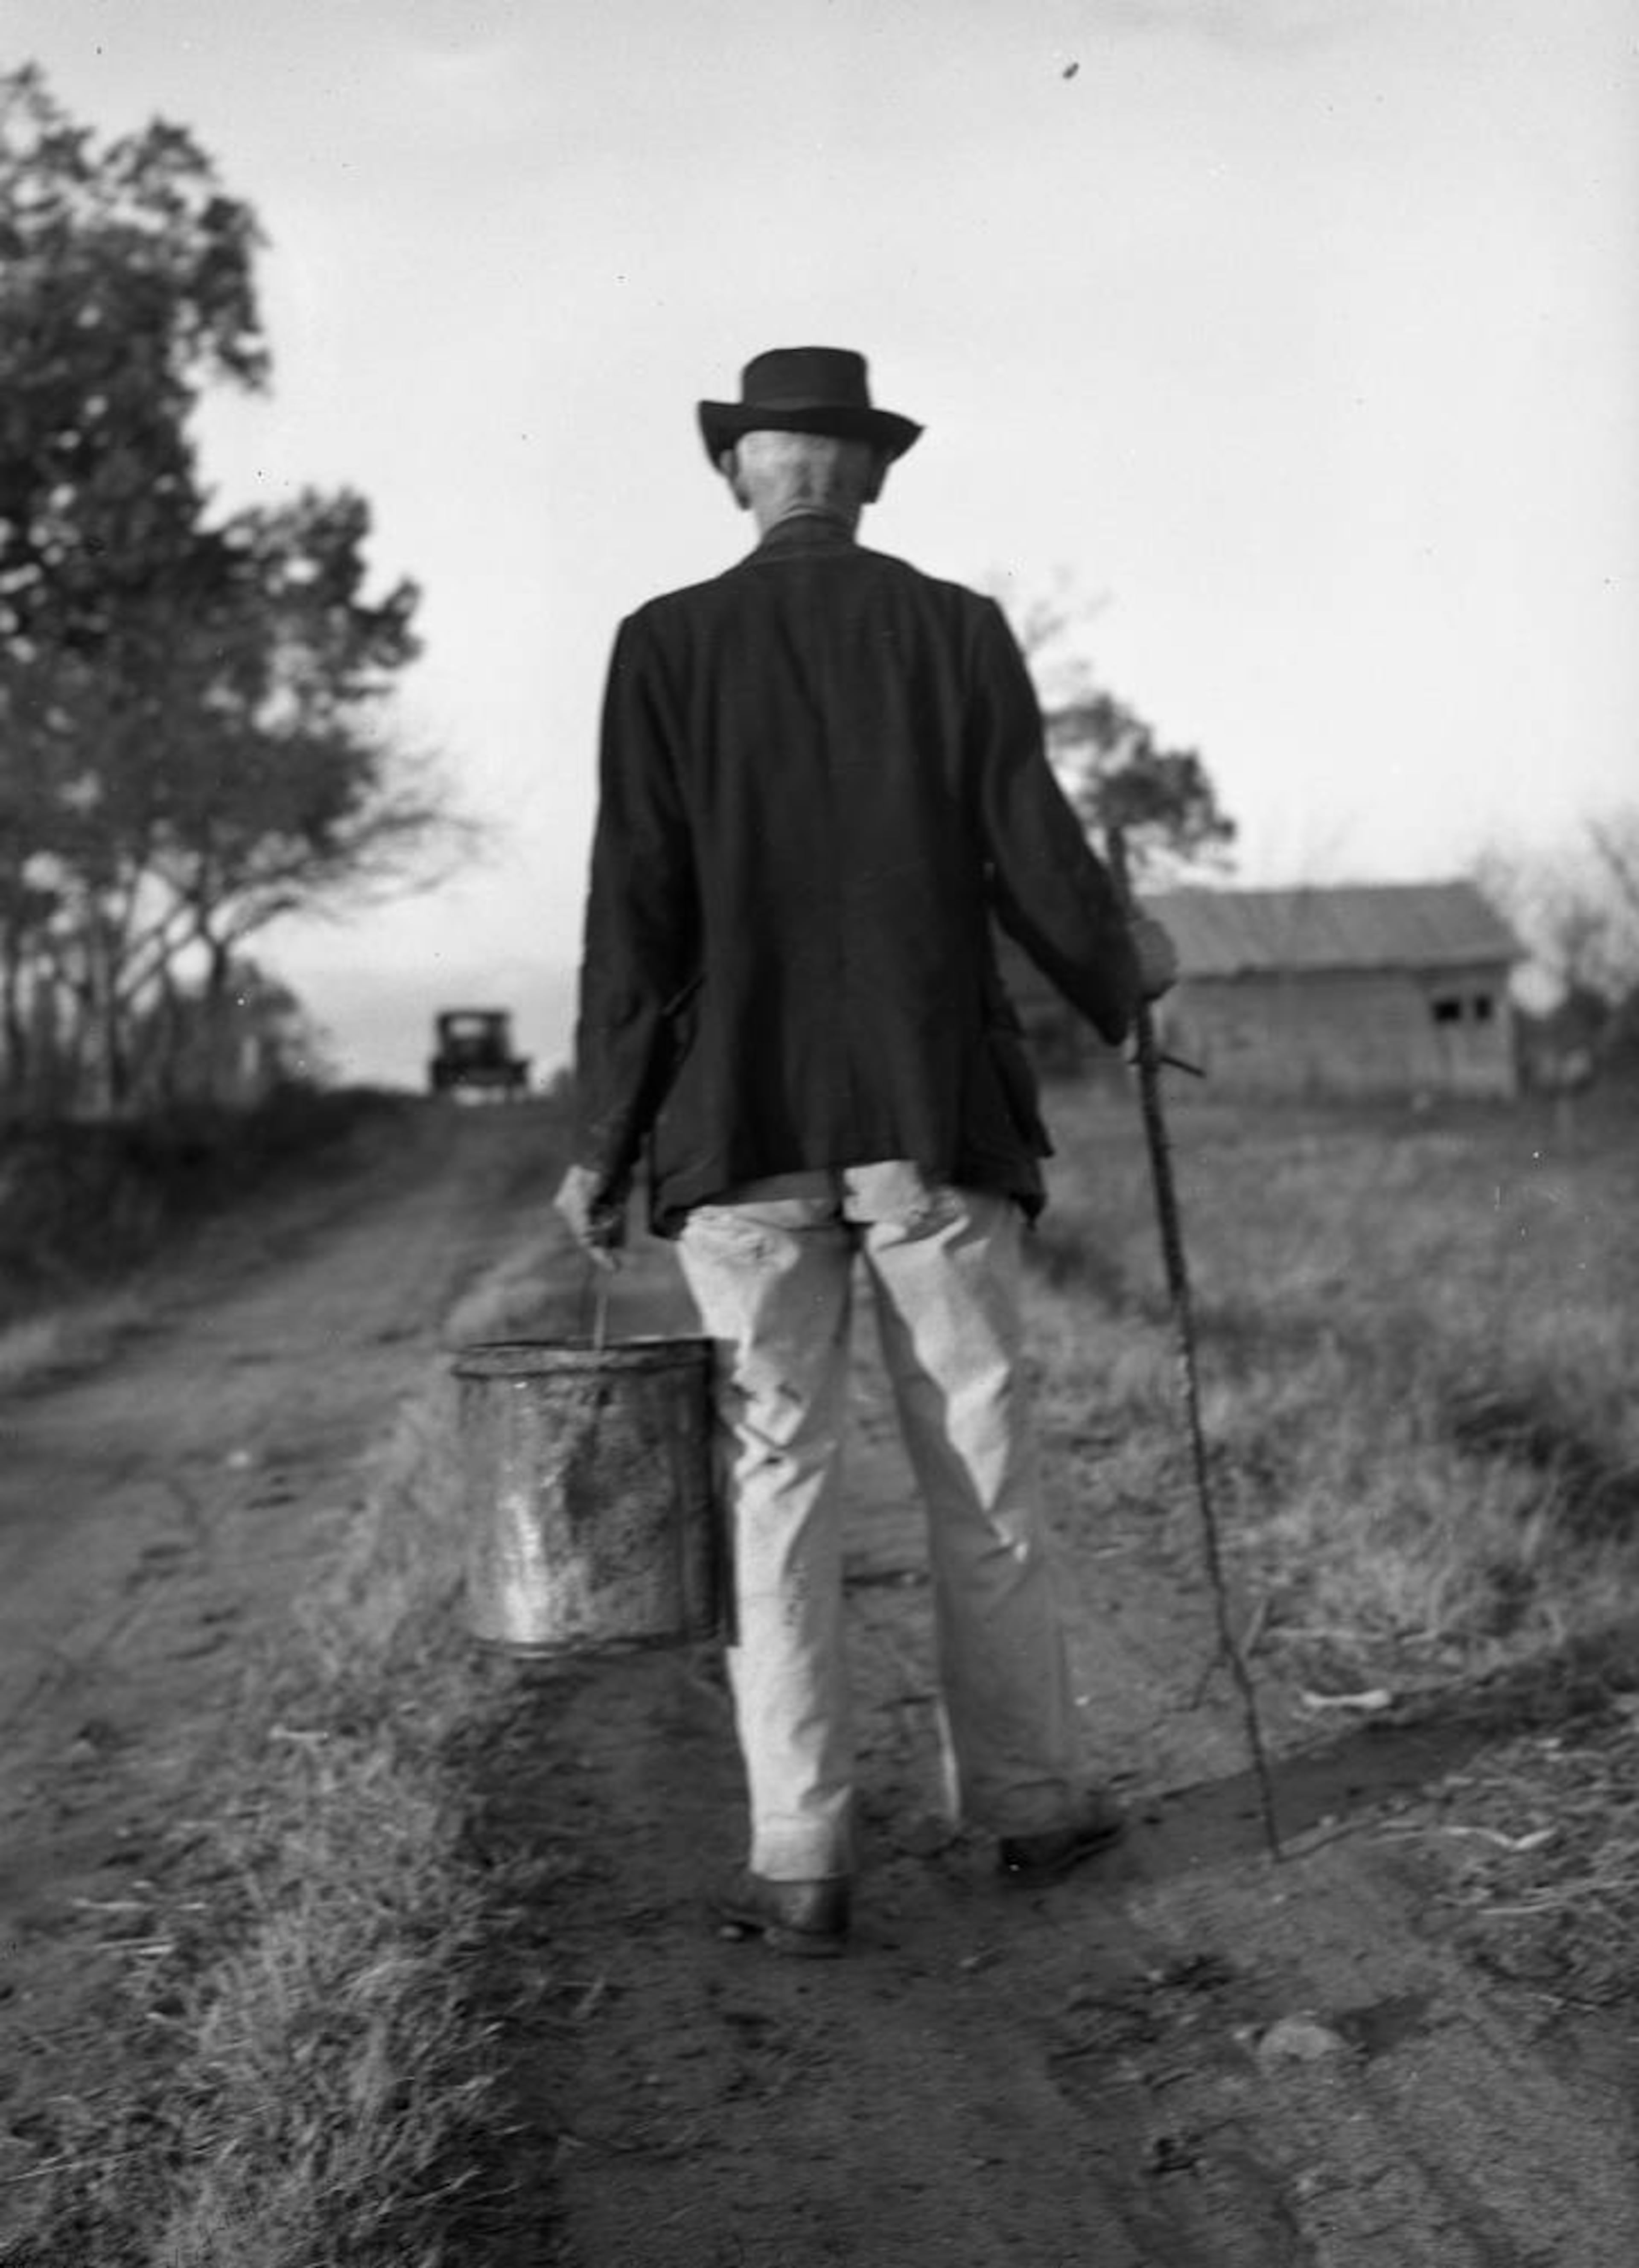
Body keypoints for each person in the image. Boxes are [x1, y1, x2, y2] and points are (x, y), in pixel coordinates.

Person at [556, 346, 1176, 1958]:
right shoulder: (955, 630)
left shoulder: (664, 645)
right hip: (931, 1120)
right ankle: (1033, 1806)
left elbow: (635, 904)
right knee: (981, 1464)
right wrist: (1125, 981)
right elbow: (1038, 850)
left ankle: (802, 1853)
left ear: (744, 472)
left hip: (736, 1136)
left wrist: (599, 1138)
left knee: (777, 1485)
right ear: (870, 473)